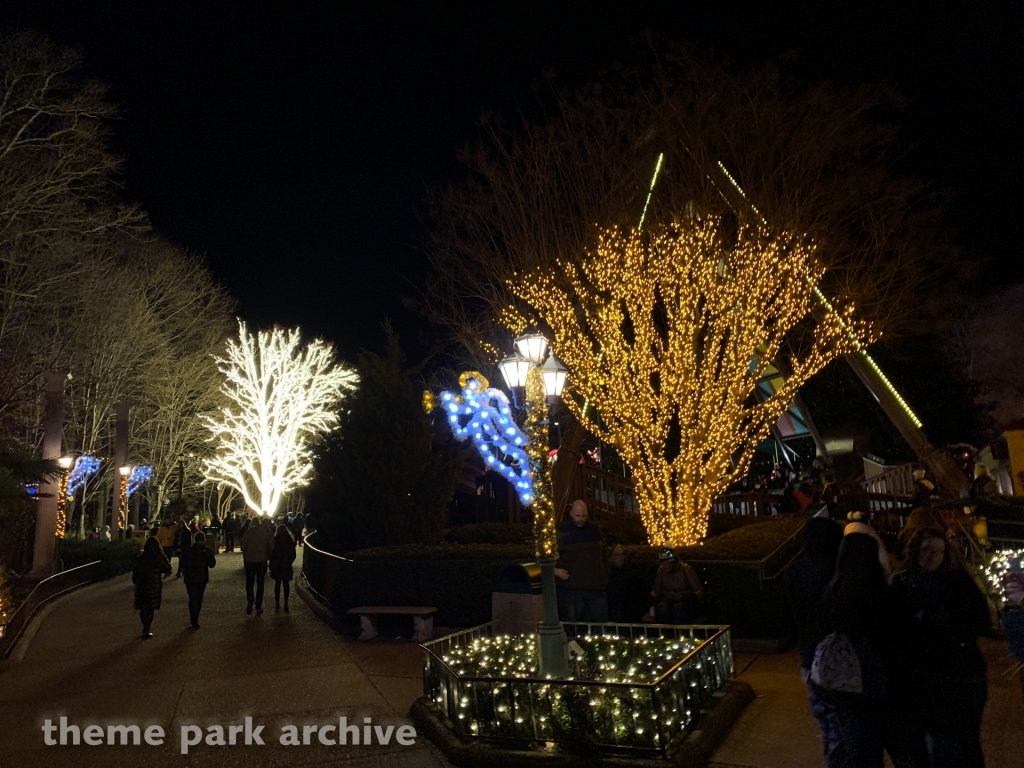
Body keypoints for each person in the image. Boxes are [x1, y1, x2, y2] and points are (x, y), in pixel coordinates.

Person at [818, 533, 927, 768]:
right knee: (906, 753)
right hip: (888, 689)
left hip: (849, 690)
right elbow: (903, 640)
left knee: (862, 756)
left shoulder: (832, 594)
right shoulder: (885, 596)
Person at [891, 527, 990, 767]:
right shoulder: (903, 583)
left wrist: (940, 618)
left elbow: (981, 622)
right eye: (926, 549)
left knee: (964, 743)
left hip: (962, 674)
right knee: (943, 744)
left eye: (938, 551)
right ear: (915, 551)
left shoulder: (959, 581)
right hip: (927, 677)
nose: (932, 556)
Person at [784, 517, 844, 765]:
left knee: (828, 727)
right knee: (843, 728)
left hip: (810, 656)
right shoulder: (839, 573)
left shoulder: (794, 573)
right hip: (841, 658)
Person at [554, 500, 608, 621]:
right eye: (578, 516)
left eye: (583, 516)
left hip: (594, 587)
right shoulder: (562, 532)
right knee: (576, 626)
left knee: (594, 626)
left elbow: (603, 554)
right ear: (571, 513)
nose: (581, 519)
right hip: (572, 588)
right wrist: (555, 570)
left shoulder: (594, 530)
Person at [132, 536, 172, 638]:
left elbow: (135, 573)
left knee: (143, 606)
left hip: (142, 584)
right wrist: (163, 576)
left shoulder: (141, 558)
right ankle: (146, 628)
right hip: (154, 584)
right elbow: (168, 568)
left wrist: (135, 581)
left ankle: (145, 626)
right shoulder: (160, 558)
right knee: (150, 608)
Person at [651, 549, 704, 624]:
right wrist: (652, 597)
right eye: (662, 563)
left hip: (684, 598)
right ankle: (664, 633)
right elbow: (657, 588)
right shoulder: (661, 571)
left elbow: (698, 589)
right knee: (662, 608)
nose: (664, 566)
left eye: (666, 563)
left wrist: (694, 597)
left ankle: (684, 633)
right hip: (668, 598)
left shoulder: (686, 569)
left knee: (678, 608)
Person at [179, 530, 217, 629]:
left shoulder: (188, 551)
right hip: (201, 577)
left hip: (190, 578)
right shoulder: (206, 550)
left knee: (192, 598)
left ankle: (193, 618)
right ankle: (195, 619)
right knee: (198, 599)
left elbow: (182, 563)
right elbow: (212, 564)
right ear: (204, 540)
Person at [240, 515, 276, 615]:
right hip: (261, 560)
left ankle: (250, 597)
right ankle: (258, 605)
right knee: (260, 583)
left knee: (249, 582)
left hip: (250, 560)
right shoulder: (268, 533)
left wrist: (247, 553)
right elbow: (271, 546)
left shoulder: (250, 531)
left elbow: (243, 544)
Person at [269, 524, 297, 612]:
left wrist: (271, 563)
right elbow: (293, 554)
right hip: (286, 564)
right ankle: (286, 601)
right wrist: (289, 562)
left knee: (277, 584)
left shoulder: (275, 539)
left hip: (277, 564)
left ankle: (277, 602)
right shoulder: (290, 540)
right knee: (286, 584)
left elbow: (272, 553)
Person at [606, 545, 629, 622]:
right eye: (617, 554)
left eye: (622, 554)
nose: (620, 557)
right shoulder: (607, 573)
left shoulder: (630, 572)